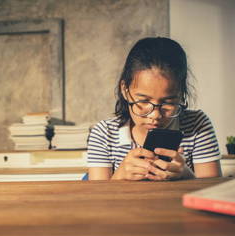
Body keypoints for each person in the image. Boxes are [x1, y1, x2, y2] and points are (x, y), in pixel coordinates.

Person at [87, 37, 221, 180]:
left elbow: (213, 192)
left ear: (181, 95)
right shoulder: (104, 134)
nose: (155, 115)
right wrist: (120, 176)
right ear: (125, 90)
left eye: (168, 102)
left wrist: (186, 175)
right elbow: (98, 198)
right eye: (144, 101)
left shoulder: (197, 125)